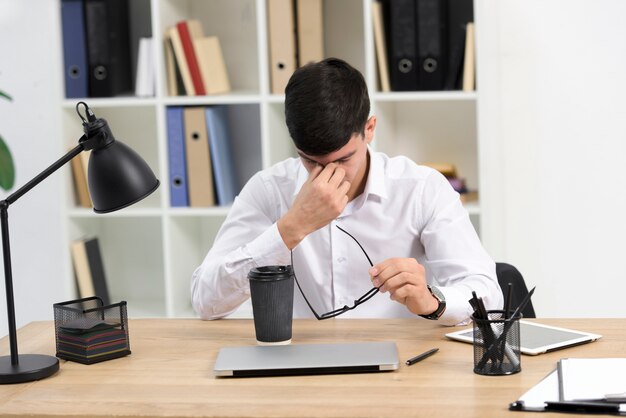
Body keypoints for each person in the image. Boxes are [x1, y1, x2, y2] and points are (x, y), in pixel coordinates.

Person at [191, 58, 502, 326]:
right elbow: (205, 302)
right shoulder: (269, 189)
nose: (328, 174)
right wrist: (289, 229)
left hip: (401, 369)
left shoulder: (421, 188)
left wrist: (433, 300)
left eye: (342, 159)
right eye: (311, 161)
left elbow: (488, 296)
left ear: (369, 129)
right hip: (300, 370)